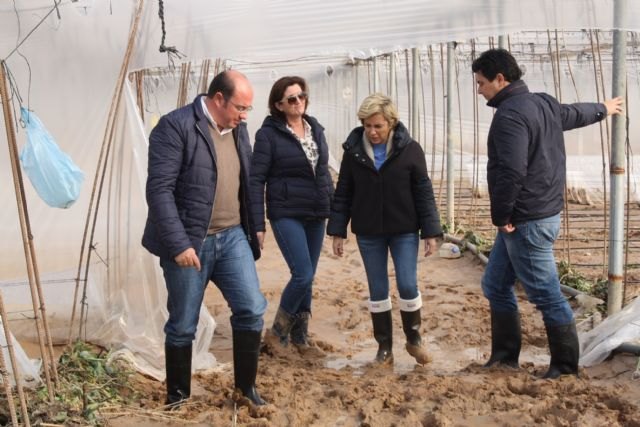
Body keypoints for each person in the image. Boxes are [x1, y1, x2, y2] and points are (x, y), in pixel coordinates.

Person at [471, 49, 624, 378]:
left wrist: (501, 216)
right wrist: (603, 109)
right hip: (539, 212)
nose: (479, 89)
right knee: (496, 284)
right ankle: (504, 356)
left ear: (501, 78)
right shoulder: (542, 103)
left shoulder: (510, 116)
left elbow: (511, 171)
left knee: (547, 294)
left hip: (525, 219)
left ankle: (565, 368)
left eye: (481, 82)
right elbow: (573, 114)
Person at [142, 70, 268, 407]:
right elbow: (159, 190)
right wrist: (179, 243)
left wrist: (256, 224)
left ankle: (246, 390)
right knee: (183, 323)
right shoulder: (175, 127)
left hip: (232, 237)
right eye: (240, 107)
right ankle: (178, 397)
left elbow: (248, 180)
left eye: (248, 109)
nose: (244, 115)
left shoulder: (239, 130)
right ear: (217, 99)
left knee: (251, 309)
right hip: (189, 242)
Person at [327, 93, 442, 365]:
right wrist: (337, 230)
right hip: (369, 232)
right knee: (377, 289)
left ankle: (414, 339)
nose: (372, 131)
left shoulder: (410, 150)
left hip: (404, 229)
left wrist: (431, 232)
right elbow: (343, 192)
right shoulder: (353, 152)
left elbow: (423, 192)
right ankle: (385, 348)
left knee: (406, 283)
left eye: (378, 126)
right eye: (367, 125)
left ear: (391, 123)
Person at [250, 76, 334, 355]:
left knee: (308, 276)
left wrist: (334, 211)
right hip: (286, 212)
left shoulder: (315, 129)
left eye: (301, 96)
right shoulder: (268, 135)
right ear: (278, 105)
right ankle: (277, 333)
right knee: (302, 273)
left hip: (315, 211)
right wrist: (257, 222)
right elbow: (256, 179)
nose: (299, 101)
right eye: (291, 99)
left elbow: (323, 173)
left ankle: (300, 339)